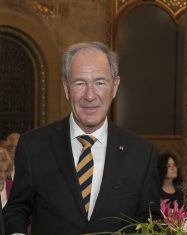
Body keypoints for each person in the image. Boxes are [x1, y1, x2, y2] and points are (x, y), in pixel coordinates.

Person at [4, 41, 161, 235]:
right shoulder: (33, 146)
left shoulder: (142, 154)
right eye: (79, 83)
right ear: (66, 88)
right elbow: (17, 209)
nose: (89, 95)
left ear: (115, 87)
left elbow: (151, 221)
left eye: (100, 82)